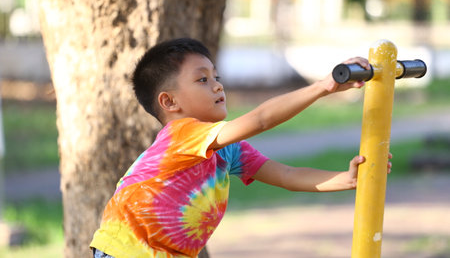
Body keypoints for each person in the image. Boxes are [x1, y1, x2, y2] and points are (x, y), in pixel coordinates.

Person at [90, 38, 392, 258]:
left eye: (216, 78)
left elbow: (286, 175)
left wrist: (347, 179)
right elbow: (259, 119)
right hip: (124, 250)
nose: (217, 86)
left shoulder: (229, 150)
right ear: (170, 102)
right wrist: (322, 87)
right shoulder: (181, 134)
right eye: (202, 80)